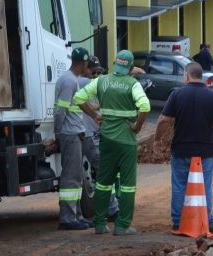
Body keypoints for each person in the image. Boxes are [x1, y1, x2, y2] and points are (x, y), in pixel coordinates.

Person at [73, 50, 150, 236]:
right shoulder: (133, 84)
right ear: (130, 67)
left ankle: (100, 224)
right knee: (127, 185)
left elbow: (78, 98)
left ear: (116, 64)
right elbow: (145, 106)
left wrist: (95, 115)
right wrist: (137, 126)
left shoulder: (101, 81)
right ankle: (122, 225)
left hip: (106, 139)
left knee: (103, 182)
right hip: (126, 141)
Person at [153, 62, 213, 233]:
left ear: (187, 75)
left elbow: (164, 120)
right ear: (201, 77)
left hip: (181, 149)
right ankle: (208, 221)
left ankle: (178, 221)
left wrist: (157, 139)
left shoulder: (177, 94)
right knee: (205, 186)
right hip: (205, 151)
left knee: (179, 185)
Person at [54, 47, 92, 230]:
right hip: (69, 134)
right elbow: (60, 110)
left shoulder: (71, 79)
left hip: (74, 133)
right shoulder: (69, 81)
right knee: (70, 177)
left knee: (76, 177)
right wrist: (58, 133)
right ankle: (68, 217)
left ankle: (76, 215)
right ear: (83, 63)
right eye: (87, 64)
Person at [79, 56, 119, 220]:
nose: (96, 75)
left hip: (95, 134)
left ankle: (109, 208)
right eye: (93, 71)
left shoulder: (94, 84)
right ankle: (111, 209)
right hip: (88, 135)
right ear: (84, 69)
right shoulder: (83, 83)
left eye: (99, 71)